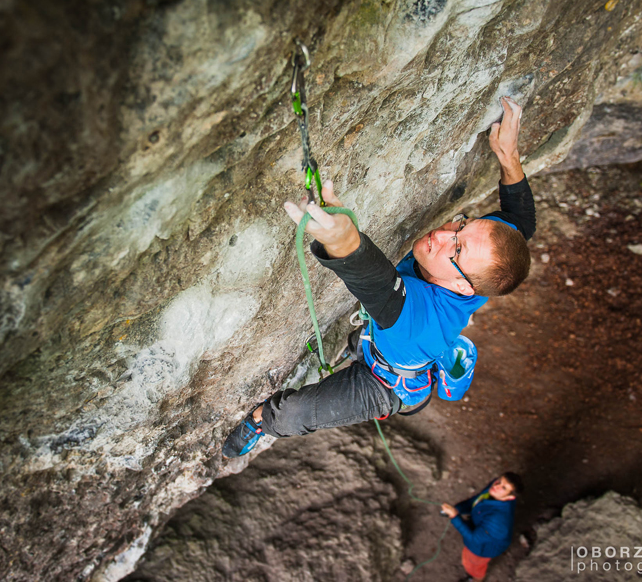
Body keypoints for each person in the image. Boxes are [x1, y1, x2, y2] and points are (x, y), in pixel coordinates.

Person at [223, 97, 535, 457]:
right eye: (461, 225)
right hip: (393, 339)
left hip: (384, 384)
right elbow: (521, 221)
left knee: (293, 413)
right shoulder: (489, 256)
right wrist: (508, 155)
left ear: (464, 285)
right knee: (368, 335)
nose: (445, 234)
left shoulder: (418, 322)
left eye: (457, 250)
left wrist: (344, 242)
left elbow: (375, 283)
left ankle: (261, 422)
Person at [441, 473, 523, 581]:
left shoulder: (499, 520)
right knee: (467, 559)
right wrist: (457, 509)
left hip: (483, 549)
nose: (496, 486)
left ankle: (476, 579)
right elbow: (476, 501)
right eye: (499, 481)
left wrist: (455, 516)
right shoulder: (494, 490)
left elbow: (474, 539)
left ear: (510, 497)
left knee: (473, 566)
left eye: (503, 488)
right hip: (482, 532)